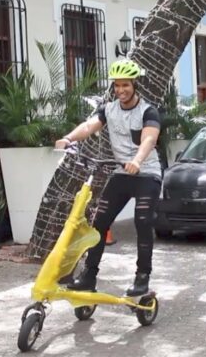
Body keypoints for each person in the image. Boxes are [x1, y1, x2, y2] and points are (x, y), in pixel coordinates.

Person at [57, 59, 161, 297]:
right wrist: (69, 138)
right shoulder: (109, 109)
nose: (121, 90)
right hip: (121, 173)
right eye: (117, 85)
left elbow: (149, 139)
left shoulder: (148, 111)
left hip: (147, 174)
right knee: (99, 223)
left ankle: (142, 277)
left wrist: (137, 160)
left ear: (134, 85)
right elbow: (88, 126)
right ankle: (88, 276)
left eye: (125, 85)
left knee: (143, 222)